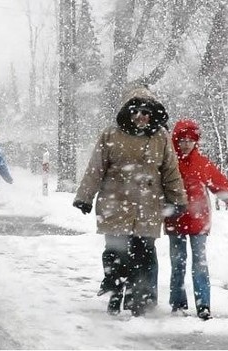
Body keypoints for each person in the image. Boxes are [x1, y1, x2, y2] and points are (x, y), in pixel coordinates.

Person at [73, 87, 188, 317]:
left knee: (143, 254)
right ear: (129, 111)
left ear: (152, 114)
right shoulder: (111, 135)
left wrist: (178, 199)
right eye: (136, 111)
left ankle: (138, 301)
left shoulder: (160, 137)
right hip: (116, 203)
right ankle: (115, 291)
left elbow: (170, 172)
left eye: (146, 112)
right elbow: (96, 167)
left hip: (147, 206)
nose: (141, 116)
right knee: (116, 252)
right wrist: (85, 197)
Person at [165, 119, 228, 320]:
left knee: (199, 263)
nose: (186, 144)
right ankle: (178, 303)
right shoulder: (169, 162)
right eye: (182, 140)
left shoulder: (202, 164)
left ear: (196, 141)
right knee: (177, 263)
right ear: (176, 141)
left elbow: (222, 187)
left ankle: (203, 304)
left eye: (191, 140)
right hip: (175, 219)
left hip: (198, 220)